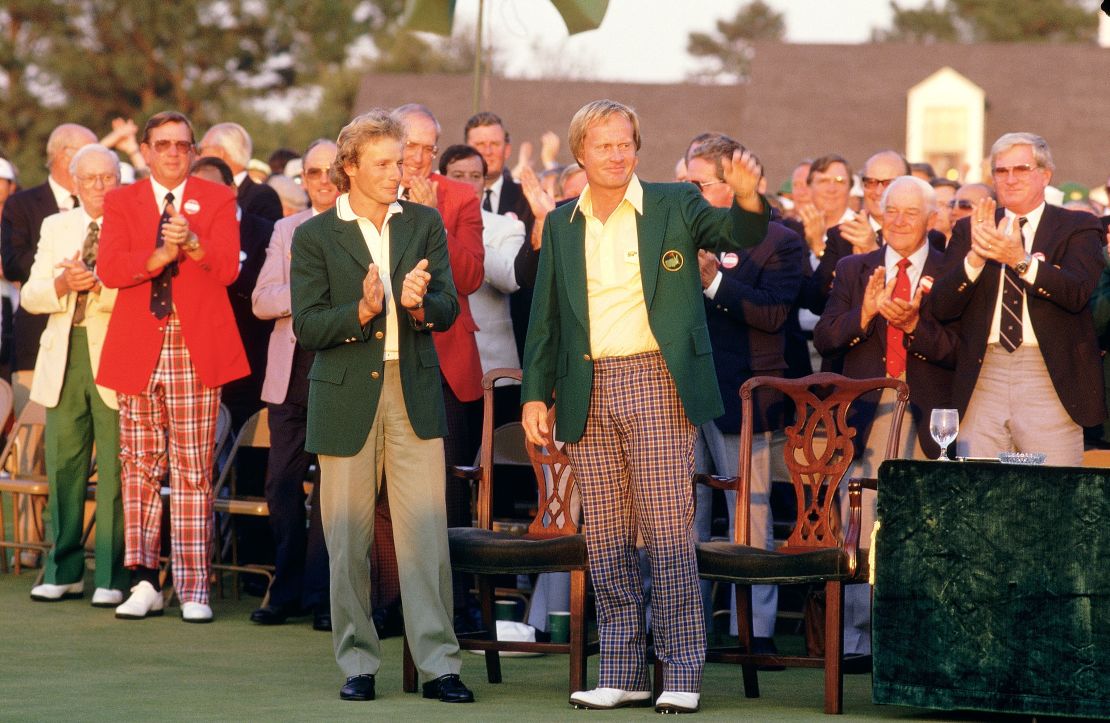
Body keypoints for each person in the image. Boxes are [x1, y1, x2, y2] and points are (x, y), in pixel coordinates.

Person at [520, 99, 768, 715]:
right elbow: (545, 320)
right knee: (604, 532)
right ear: (580, 152)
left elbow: (739, 236)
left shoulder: (675, 202)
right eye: (603, 145)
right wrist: (533, 394)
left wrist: (748, 197)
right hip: (586, 387)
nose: (617, 154)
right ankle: (624, 668)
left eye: (626, 142)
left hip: (659, 380)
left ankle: (681, 670)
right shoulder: (561, 224)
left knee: (666, 529)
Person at [290, 109, 473, 704]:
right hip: (344, 398)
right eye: (386, 163)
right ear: (350, 169)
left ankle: (440, 664)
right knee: (346, 538)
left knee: (425, 535)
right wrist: (364, 312)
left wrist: (420, 305)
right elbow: (308, 325)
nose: (402, 171)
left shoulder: (424, 222)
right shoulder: (315, 235)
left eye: (402, 160)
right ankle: (358, 663)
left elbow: (447, 305)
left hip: (413, 391)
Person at [97, 110, 249, 623]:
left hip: (195, 345)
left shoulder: (220, 198)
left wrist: (196, 245)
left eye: (182, 145)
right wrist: (160, 255)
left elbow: (228, 270)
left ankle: (193, 585)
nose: (172, 153)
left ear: (193, 150)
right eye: (162, 144)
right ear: (144, 149)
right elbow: (111, 270)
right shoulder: (121, 200)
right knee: (138, 468)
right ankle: (143, 580)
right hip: (137, 346)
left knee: (193, 469)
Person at [813, 175, 956, 656]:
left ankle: (919, 641)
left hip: (930, 413)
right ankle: (857, 643)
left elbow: (961, 350)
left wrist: (916, 326)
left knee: (929, 526)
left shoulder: (951, 269)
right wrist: (865, 314)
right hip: (870, 411)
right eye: (890, 210)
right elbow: (826, 339)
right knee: (862, 525)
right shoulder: (856, 269)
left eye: (910, 213)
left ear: (931, 220)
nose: (897, 221)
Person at [685, 133, 804, 660]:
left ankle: (751, 633)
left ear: (732, 183)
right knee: (681, 515)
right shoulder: (676, 233)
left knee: (747, 517)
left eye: (698, 184)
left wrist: (714, 284)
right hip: (681, 395)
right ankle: (679, 626)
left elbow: (775, 313)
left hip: (745, 396)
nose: (687, 193)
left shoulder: (778, 239)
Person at [931, 132, 1105, 465]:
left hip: (1048, 374)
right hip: (984, 372)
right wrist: (976, 259)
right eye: (1001, 171)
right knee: (979, 492)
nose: (1010, 179)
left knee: (1050, 495)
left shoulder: (1077, 226)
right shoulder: (972, 229)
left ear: (1045, 174)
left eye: (1021, 169)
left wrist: (1020, 259)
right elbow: (941, 306)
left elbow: (1077, 292)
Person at [22, 144, 128, 605]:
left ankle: (111, 575)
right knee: (63, 466)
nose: (100, 186)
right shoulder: (55, 225)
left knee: (116, 470)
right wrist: (66, 283)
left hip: (117, 354)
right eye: (90, 179)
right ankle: (62, 569)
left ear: (119, 180)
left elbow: (141, 290)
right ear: (75, 182)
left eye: (108, 177)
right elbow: (30, 294)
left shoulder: (133, 223)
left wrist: (101, 285)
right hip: (62, 355)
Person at [394, 104, 486, 632]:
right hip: (384, 357)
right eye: (411, 145)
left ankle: (456, 609)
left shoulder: (459, 197)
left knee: (448, 492)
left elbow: (470, 276)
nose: (421, 157)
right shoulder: (369, 196)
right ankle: (389, 604)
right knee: (387, 493)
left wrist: (432, 221)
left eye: (430, 147)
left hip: (448, 363)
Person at [250, 139, 338, 631]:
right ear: (301, 179)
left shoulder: (361, 226)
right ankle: (284, 590)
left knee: (333, 493)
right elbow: (262, 300)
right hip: (289, 374)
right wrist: (307, 292)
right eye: (312, 172)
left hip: (339, 373)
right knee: (280, 485)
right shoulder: (286, 228)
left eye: (330, 171)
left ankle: (325, 597)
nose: (322, 181)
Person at [2, 123, 98, 414]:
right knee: (32, 447)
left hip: (94, 345)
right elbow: (13, 263)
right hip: (37, 341)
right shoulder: (22, 203)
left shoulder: (103, 206)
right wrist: (63, 269)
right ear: (65, 156)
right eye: (88, 153)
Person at [198, 121, 283, 222]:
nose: (199, 158)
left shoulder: (262, 196)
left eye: (202, 150)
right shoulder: (201, 193)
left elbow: (263, 234)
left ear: (220, 153)